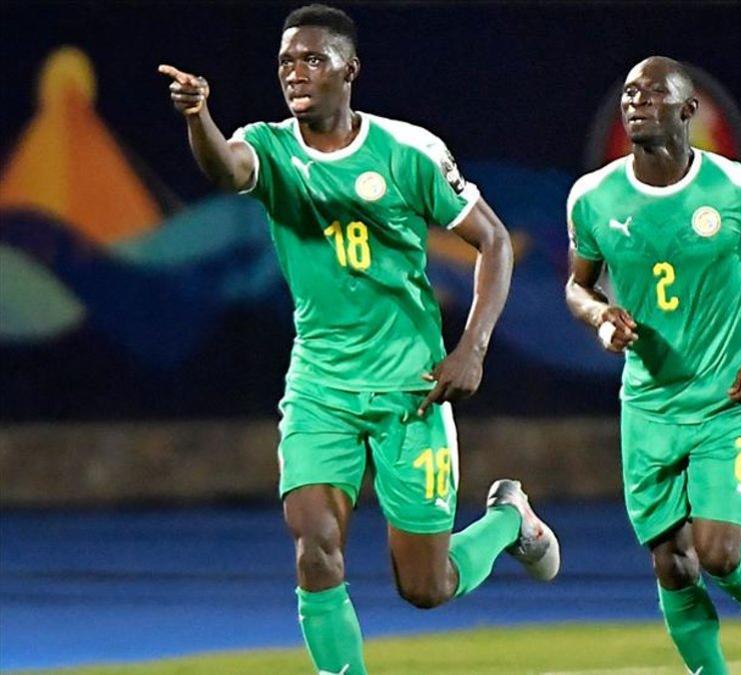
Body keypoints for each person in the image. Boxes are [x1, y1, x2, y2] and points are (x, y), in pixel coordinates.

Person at [159, 5, 559, 674]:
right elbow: (227, 171)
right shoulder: (270, 146)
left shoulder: (408, 152)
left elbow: (492, 240)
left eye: (313, 59)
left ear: (350, 69)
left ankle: (508, 521)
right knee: (314, 546)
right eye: (287, 61)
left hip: (411, 389)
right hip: (321, 388)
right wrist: (199, 115)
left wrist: (472, 347)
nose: (296, 72)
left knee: (425, 588)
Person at [565, 56, 741, 675]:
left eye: (653, 92)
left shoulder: (738, 190)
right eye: (628, 93)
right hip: (647, 403)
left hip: (723, 399)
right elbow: (577, 286)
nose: (636, 101)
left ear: (688, 111)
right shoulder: (594, 197)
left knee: (718, 551)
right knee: (671, 562)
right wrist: (600, 316)